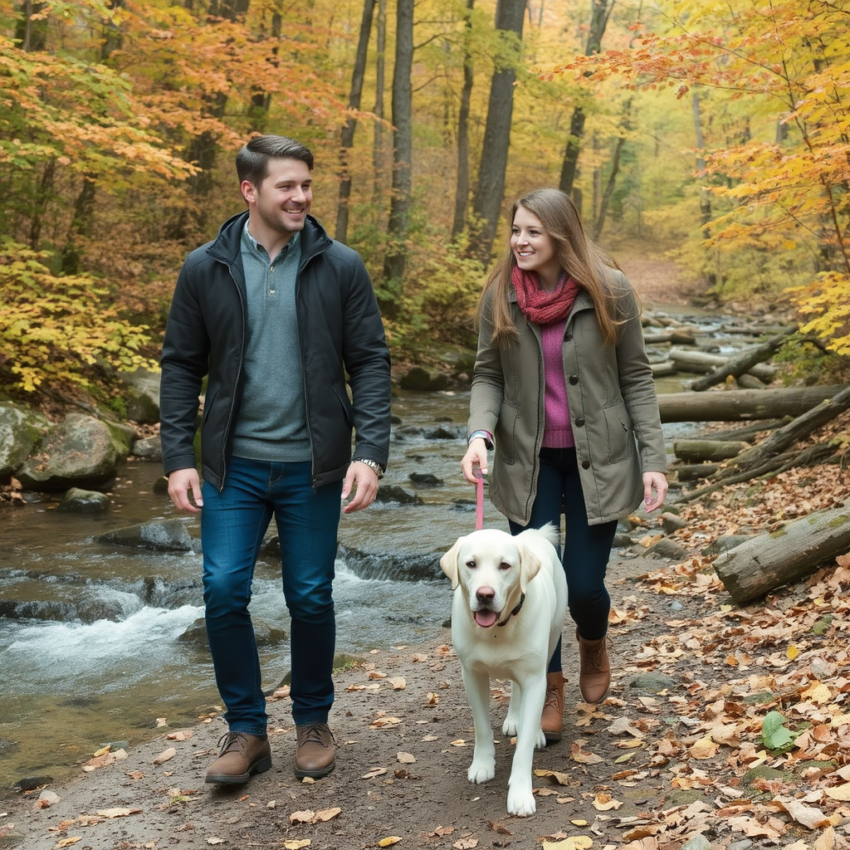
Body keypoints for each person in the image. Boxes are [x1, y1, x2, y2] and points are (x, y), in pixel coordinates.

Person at [159, 134, 392, 785]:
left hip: (312, 466)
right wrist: (180, 456)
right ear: (249, 190)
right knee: (224, 589)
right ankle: (246, 731)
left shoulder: (338, 265)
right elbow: (181, 366)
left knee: (311, 596)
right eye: (287, 186)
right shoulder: (205, 266)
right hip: (231, 468)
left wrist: (369, 453)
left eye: (306, 186)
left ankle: (312, 721)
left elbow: (370, 361)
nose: (300, 197)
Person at [460, 188, 667, 743]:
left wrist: (655, 460)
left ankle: (592, 642)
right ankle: (547, 686)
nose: (520, 241)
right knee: (531, 579)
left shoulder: (610, 289)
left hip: (599, 459)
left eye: (533, 231)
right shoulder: (501, 294)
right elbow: (487, 374)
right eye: (515, 230)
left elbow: (637, 379)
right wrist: (480, 432)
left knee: (581, 584)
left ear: (560, 236)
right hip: (528, 461)